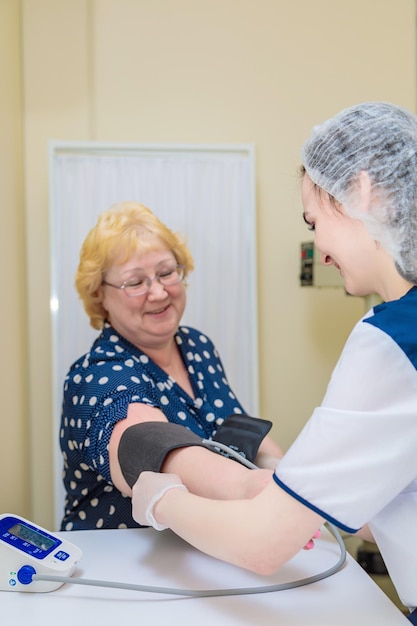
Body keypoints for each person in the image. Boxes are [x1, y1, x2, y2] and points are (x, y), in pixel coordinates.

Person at [131, 102, 417, 618]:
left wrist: (161, 499)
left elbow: (262, 544)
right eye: (134, 281)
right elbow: (384, 508)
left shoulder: (393, 338)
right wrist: (292, 485)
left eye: (314, 221)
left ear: (365, 190)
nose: (320, 249)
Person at [60, 201, 283, 531]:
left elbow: (234, 430)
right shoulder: (97, 373)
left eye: (166, 273)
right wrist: (250, 488)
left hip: (204, 550)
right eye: (135, 283)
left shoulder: (197, 347)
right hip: (120, 567)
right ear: (100, 296)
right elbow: (148, 447)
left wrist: (286, 475)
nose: (160, 292)